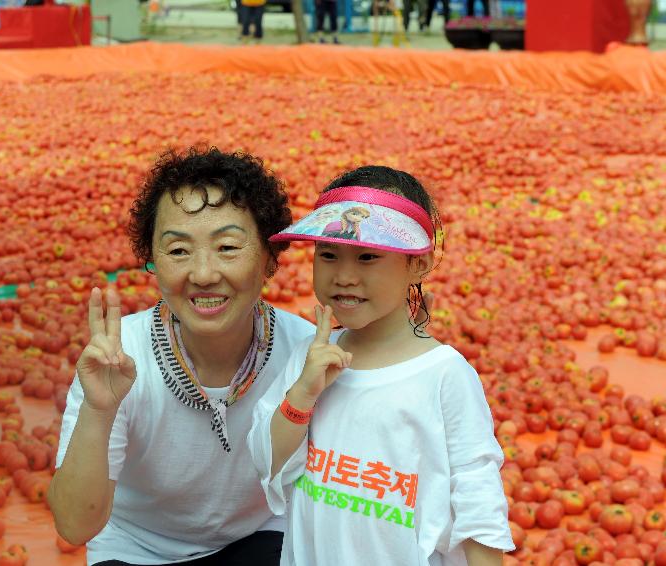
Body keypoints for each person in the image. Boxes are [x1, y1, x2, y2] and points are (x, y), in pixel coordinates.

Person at [48, 147, 316, 566]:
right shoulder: (121, 357)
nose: (204, 274)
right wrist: (100, 410)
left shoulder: (303, 353)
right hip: (138, 549)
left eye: (228, 247)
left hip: (259, 540)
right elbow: (74, 526)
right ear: (151, 261)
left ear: (269, 259)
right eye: (178, 251)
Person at [248, 166, 513, 565]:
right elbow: (266, 458)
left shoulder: (443, 374)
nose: (344, 276)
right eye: (329, 254)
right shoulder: (310, 356)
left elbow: (477, 499)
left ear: (418, 264)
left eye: (369, 256)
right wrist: (303, 393)